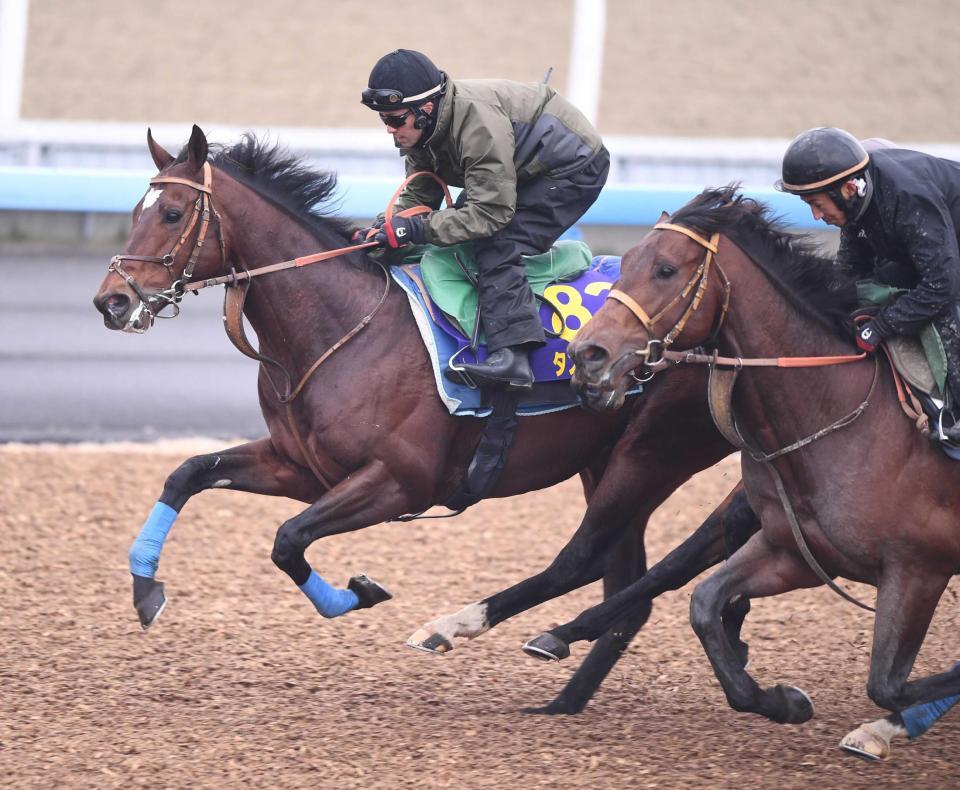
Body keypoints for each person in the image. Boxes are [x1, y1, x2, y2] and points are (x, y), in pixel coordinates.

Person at [357, 49, 609, 390]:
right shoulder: (424, 127)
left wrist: (416, 229)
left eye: (396, 119)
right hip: (522, 167)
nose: (390, 129)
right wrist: (385, 230)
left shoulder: (477, 123)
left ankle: (514, 356)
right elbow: (420, 195)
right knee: (459, 227)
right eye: (384, 119)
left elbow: (490, 215)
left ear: (426, 108)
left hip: (572, 167)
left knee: (494, 240)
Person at [776, 126, 960, 439]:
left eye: (817, 204)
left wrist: (881, 326)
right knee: (869, 288)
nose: (816, 216)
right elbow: (850, 273)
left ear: (848, 188)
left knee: (944, 310)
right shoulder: (856, 203)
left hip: (946, 259)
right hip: (936, 246)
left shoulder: (907, 196)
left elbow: (941, 286)